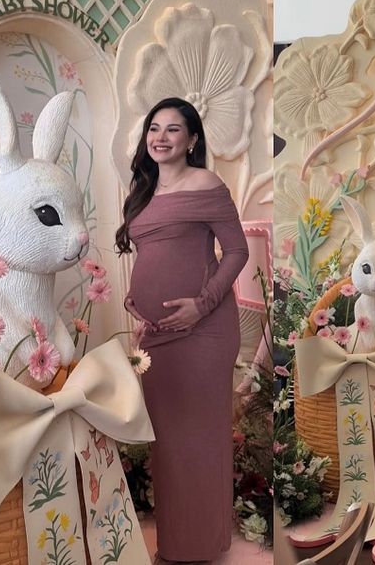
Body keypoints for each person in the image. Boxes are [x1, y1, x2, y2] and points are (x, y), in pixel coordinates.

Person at [114, 97, 249, 563]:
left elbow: (237, 251)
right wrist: (136, 297)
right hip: (159, 334)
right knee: (168, 443)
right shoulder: (143, 188)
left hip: (204, 331)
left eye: (173, 129)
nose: (161, 137)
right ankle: (179, 542)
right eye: (154, 128)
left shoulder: (205, 183)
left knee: (199, 439)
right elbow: (155, 256)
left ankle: (195, 548)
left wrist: (202, 304)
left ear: (191, 139)